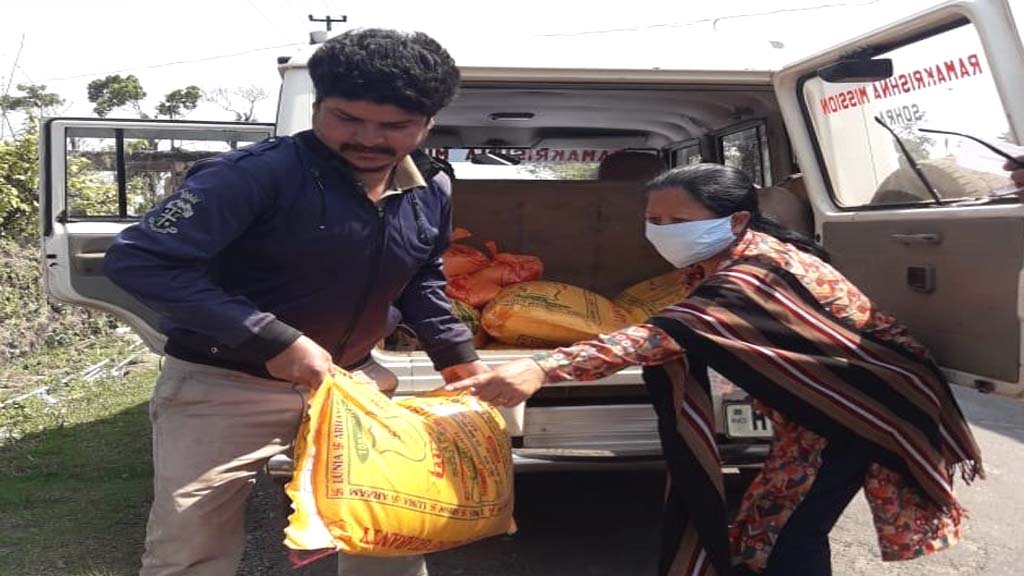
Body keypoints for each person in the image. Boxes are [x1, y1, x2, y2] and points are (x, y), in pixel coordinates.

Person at [448, 163, 983, 576]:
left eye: (678, 222)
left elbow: (664, 334)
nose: (661, 232)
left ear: (738, 220)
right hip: (821, 409)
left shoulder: (754, 273)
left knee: (788, 531)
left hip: (859, 407)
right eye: (654, 221)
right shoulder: (725, 261)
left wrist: (542, 367)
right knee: (768, 521)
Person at [103, 28, 487, 576]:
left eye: (395, 125)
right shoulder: (251, 176)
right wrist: (272, 339)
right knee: (191, 545)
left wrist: (456, 355)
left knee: (390, 531)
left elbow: (421, 273)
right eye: (347, 118)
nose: (369, 139)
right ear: (317, 106)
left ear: (428, 124)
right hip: (228, 384)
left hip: (354, 382)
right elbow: (138, 261)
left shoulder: (431, 185)